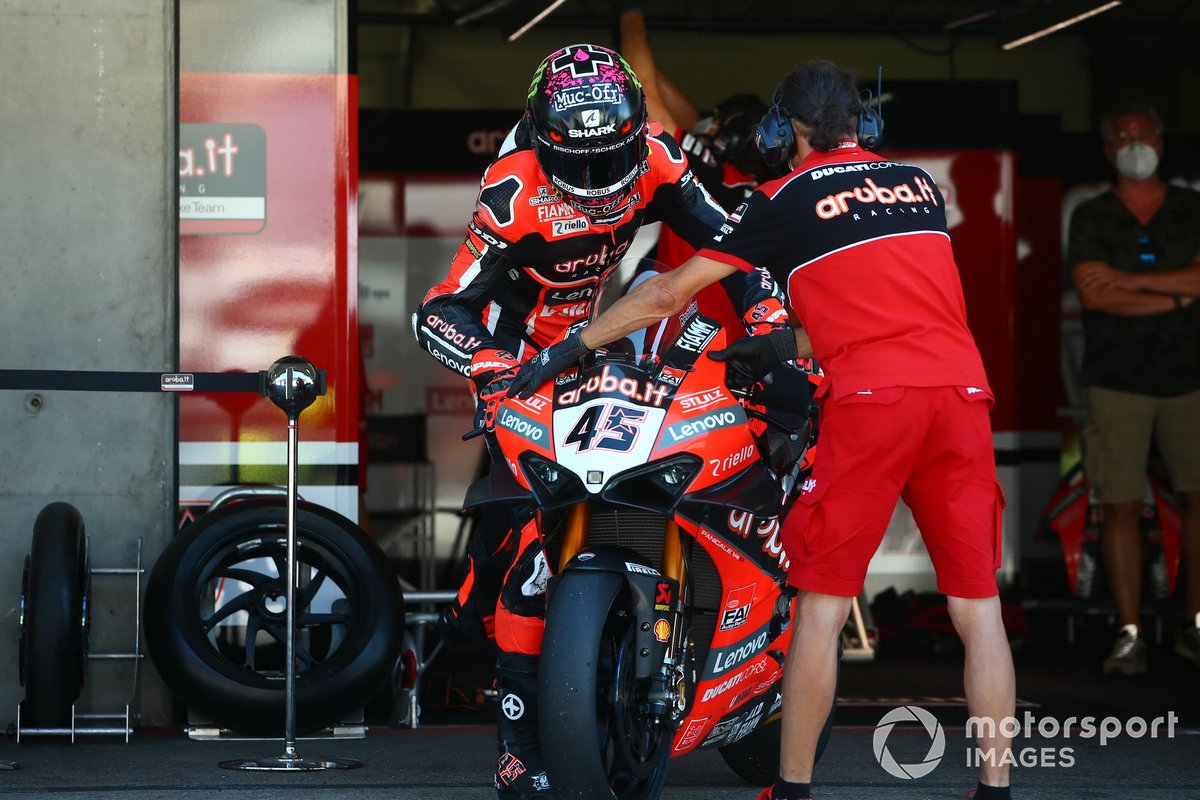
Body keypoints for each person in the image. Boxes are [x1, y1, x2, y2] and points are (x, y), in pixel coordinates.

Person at [509, 58, 1017, 800]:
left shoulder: (781, 197)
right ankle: (996, 789)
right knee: (979, 610)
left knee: (821, 605)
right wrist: (790, 346)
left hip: (874, 402)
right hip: (962, 394)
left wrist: (567, 349)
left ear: (785, 131)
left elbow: (665, 296)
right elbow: (895, 308)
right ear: (864, 122)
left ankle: (795, 787)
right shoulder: (919, 187)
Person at [413, 42, 788, 800]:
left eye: (606, 162)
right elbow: (438, 310)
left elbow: (732, 246)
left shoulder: (656, 155)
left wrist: (769, 317)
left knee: (631, 483)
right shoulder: (512, 191)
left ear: (633, 135)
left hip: (592, 346)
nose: (594, 185)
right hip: (518, 361)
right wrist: (491, 367)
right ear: (541, 136)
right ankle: (514, 741)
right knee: (512, 539)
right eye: (574, 167)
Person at [1068, 102, 1200, 675]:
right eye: (1122, 135)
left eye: (1144, 133)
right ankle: (1129, 633)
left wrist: (1130, 280)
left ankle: (1194, 626)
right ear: (1107, 150)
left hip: (1191, 376)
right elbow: (1095, 296)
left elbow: (1115, 286)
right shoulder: (1092, 213)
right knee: (1119, 504)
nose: (1134, 142)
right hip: (1115, 379)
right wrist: (1178, 295)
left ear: (1162, 143)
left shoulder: (1193, 207)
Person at [618, 5, 774, 333]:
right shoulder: (755, 187)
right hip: (737, 342)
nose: (708, 125)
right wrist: (629, 49)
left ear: (732, 137)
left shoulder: (713, 176)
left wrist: (629, 16)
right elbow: (689, 120)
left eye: (719, 120)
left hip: (690, 345)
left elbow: (644, 91)